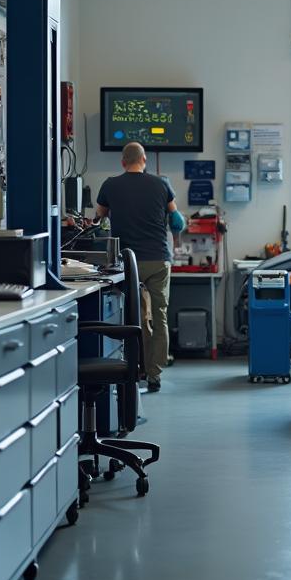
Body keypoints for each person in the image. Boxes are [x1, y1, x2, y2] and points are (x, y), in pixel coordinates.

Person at [95, 142, 185, 392]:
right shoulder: (161, 184)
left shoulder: (110, 184)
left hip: (128, 263)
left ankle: (136, 368)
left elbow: (98, 220)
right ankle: (155, 374)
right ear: (144, 160)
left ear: (123, 162)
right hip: (158, 260)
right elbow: (177, 221)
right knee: (160, 316)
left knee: (135, 316)